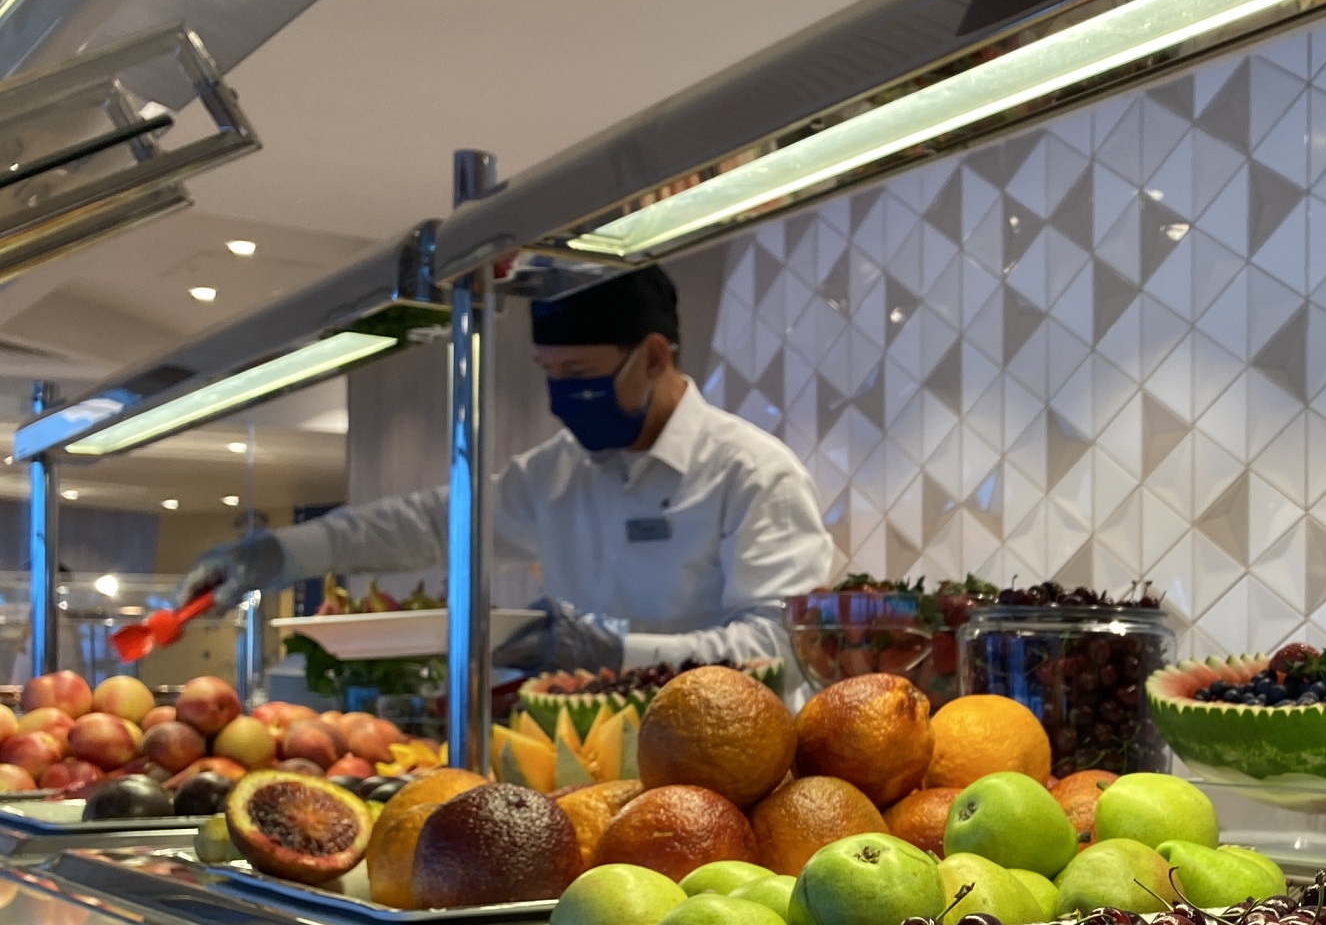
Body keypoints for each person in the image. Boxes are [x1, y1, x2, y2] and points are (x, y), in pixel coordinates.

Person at [185, 265, 838, 673]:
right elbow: (435, 526)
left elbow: (782, 648)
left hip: (726, 773)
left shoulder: (752, 475)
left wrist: (620, 655)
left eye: (578, 375)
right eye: (549, 375)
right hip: (578, 757)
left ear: (656, 356)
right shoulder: (557, 473)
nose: (561, 396)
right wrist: (280, 554)